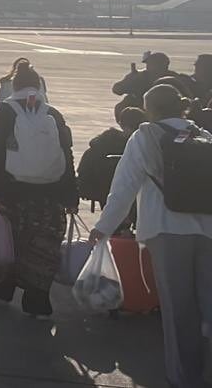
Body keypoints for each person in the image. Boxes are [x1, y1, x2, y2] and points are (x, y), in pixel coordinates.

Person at [90, 84, 212, 387]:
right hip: (207, 230)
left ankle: (184, 377)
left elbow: (123, 188)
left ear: (150, 108)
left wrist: (104, 226)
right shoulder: (203, 135)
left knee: (178, 309)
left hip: (167, 230)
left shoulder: (145, 137)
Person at [0, 60, 77, 317]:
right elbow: (66, 155)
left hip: (14, 191)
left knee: (9, 242)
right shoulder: (53, 113)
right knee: (43, 246)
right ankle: (37, 298)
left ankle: (0, 288)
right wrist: (70, 195)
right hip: (49, 193)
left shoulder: (6, 110)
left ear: (15, 85)